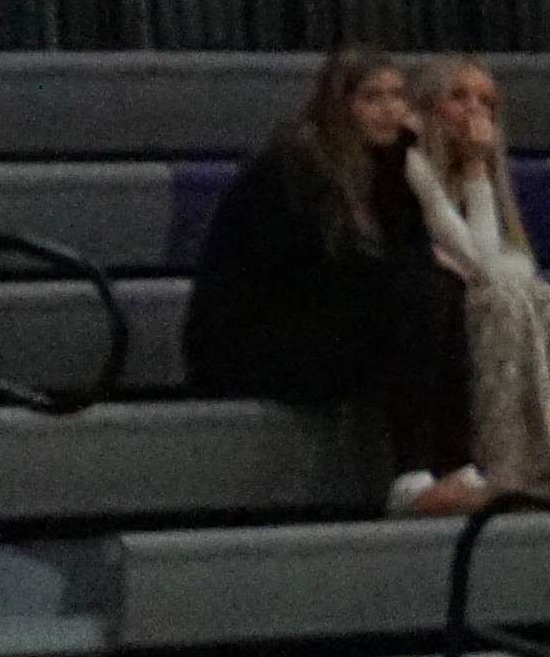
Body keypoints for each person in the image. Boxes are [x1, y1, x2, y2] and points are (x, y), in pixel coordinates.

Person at [186, 52, 486, 518]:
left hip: (320, 322)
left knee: (440, 287)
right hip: (253, 340)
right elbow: (312, 273)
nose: (389, 110)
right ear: (340, 106)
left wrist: (404, 163)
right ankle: (410, 478)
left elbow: (411, 253)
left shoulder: (386, 163)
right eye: (371, 98)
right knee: (418, 292)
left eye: (397, 96)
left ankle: (458, 467)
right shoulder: (295, 166)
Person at [411, 59, 550, 504]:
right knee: (502, 300)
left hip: (468, 297)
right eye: (459, 97)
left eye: (486, 103)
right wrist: (475, 168)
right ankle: (505, 466)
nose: (474, 111)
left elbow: (506, 259)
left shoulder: (482, 178)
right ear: (427, 106)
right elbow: (483, 264)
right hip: (427, 313)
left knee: (539, 296)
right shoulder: (413, 168)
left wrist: (477, 172)